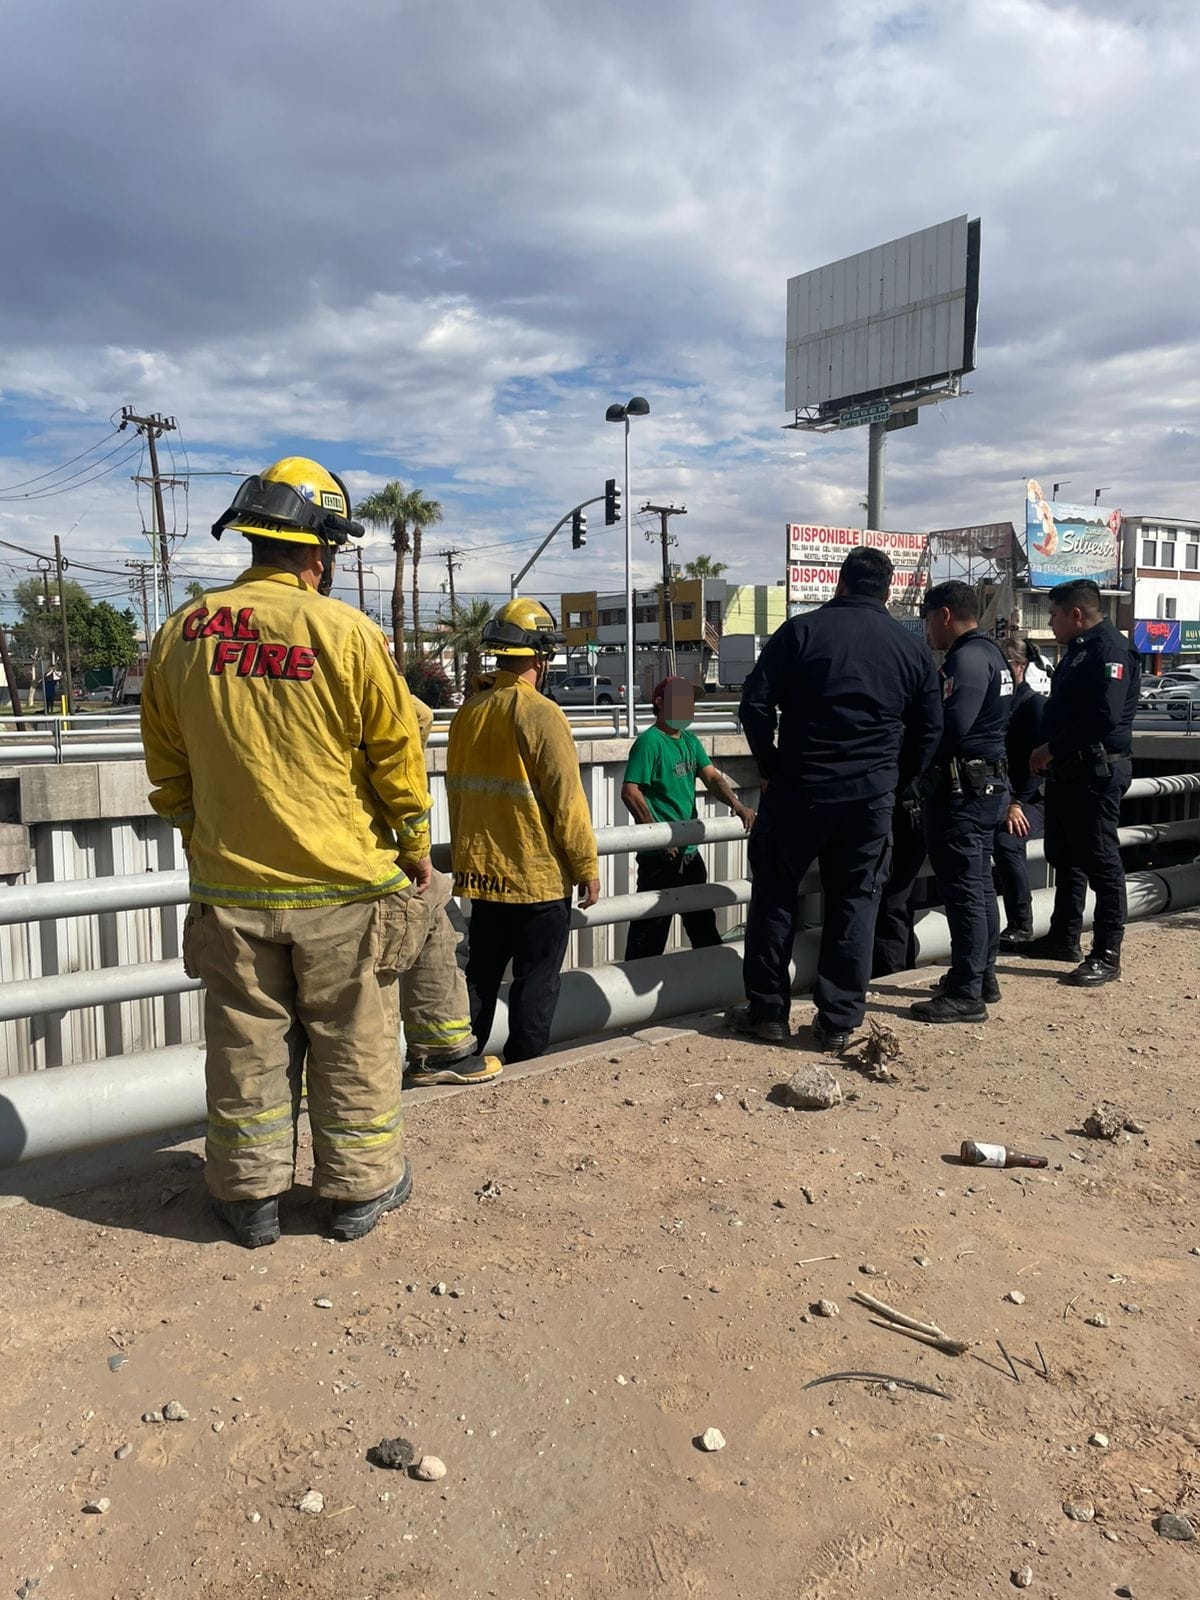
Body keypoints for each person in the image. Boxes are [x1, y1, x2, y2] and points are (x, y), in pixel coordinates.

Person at [141, 455, 465, 1250]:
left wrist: (202, 835)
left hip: (232, 890)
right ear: (320, 550)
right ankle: (357, 1193)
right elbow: (396, 759)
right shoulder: (346, 633)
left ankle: (249, 1202)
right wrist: (417, 849)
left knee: (246, 1043)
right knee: (353, 1038)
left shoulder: (184, 631)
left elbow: (166, 761)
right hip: (343, 890)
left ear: (252, 537)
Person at [734, 546, 943, 1050]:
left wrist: (772, 767)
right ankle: (838, 1020)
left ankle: (768, 1014)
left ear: (840, 583)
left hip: (799, 790)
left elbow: (754, 705)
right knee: (855, 903)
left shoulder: (801, 632)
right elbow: (929, 730)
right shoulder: (910, 648)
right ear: (888, 591)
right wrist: (893, 780)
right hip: (869, 798)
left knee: (775, 898)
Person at [446, 597, 600, 1063]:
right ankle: (525, 1070)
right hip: (537, 881)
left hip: (485, 879)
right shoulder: (541, 713)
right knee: (536, 983)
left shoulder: (469, 713)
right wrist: (586, 866)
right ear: (540, 656)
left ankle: (460, 1063)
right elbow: (567, 801)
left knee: (479, 978)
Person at [1010, 580, 1140, 986]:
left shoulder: (1109, 649)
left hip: (1096, 771)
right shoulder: (1080, 651)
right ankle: (1064, 937)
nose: (1050, 623)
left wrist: (1051, 748)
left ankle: (1107, 952)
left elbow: (1103, 715)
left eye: (1053, 614)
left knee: (1102, 860)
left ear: (1076, 614)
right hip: (1070, 771)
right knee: (1065, 856)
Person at [910, 581, 1013, 1024]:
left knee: (965, 890)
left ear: (945, 615)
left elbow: (949, 728)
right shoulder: (993, 654)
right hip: (985, 786)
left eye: (928, 617)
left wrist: (911, 760)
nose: (927, 628)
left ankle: (967, 989)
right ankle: (980, 975)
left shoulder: (966, 660)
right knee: (980, 886)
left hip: (963, 793)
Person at [620, 675, 754, 961]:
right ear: (660, 703)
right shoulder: (649, 743)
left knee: (703, 927)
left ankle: (711, 989)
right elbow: (630, 792)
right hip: (659, 858)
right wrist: (657, 835)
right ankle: (635, 995)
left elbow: (713, 778)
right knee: (650, 933)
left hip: (689, 853)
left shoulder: (691, 741)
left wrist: (737, 805)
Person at [993, 638, 1047, 946]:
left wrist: (1017, 803)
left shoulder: (1034, 707)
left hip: (1028, 797)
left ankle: (1020, 922)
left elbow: (1036, 768)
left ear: (1018, 667)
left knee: (1006, 841)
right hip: (997, 793)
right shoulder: (999, 704)